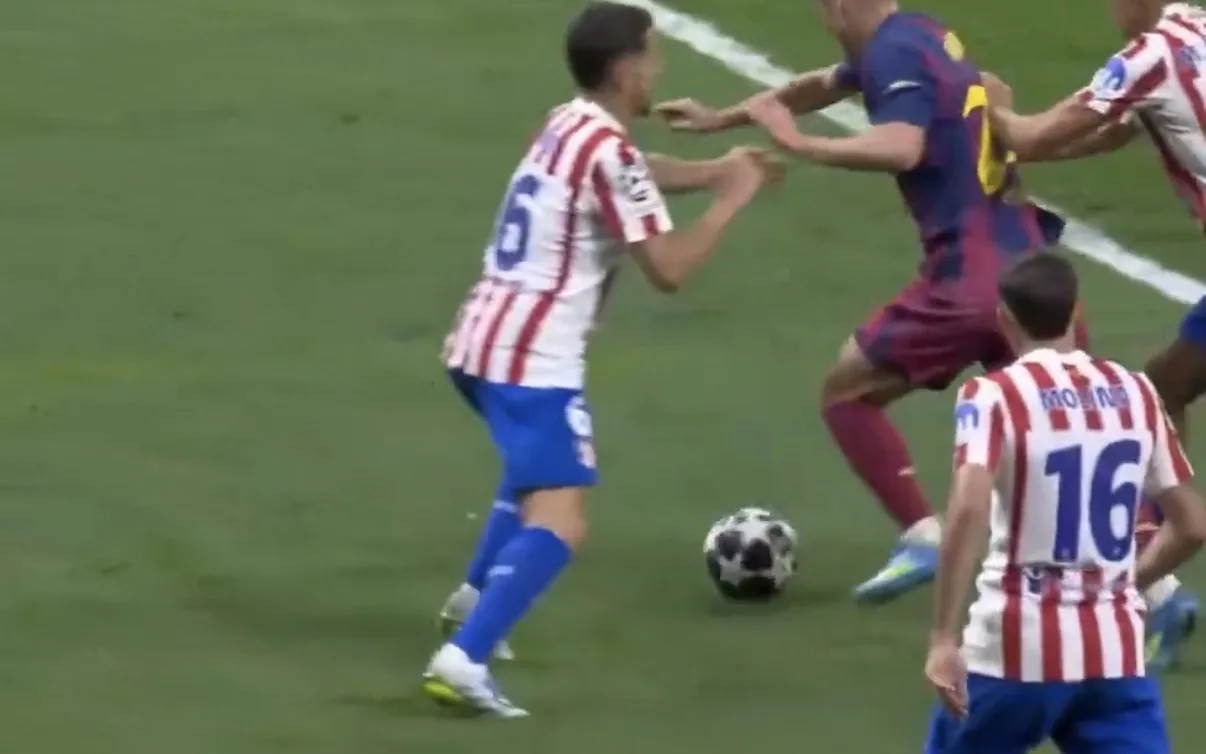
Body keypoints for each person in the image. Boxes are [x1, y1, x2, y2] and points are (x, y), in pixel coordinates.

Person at [424, 1, 782, 717]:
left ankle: (473, 600)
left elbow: (633, 175)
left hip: (479, 339)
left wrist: (713, 170)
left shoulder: (569, 123)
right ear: (624, 69)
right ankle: (464, 659)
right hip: (531, 356)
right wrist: (731, 199)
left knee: (533, 477)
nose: (658, 68)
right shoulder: (608, 151)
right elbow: (668, 268)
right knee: (563, 518)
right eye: (651, 56)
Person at [655, 0, 1068, 603]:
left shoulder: (892, 52)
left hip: (967, 278)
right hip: (1031, 264)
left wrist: (799, 143)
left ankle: (923, 535)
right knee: (1059, 432)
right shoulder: (917, 33)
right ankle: (1155, 589)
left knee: (846, 393)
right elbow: (823, 84)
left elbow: (901, 147)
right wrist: (725, 118)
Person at [986, 0, 1202, 670]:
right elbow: (1113, 132)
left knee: (1159, 392)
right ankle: (1153, 565)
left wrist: (992, 109)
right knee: (1162, 388)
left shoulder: (1150, 55)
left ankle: (1142, 575)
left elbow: (1036, 134)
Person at [922, 252, 1206, 753]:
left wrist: (943, 637)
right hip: (1113, 653)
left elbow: (968, 508)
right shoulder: (1137, 392)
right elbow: (1192, 525)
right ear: (1078, 311)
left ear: (1004, 320)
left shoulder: (992, 396)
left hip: (1014, 651)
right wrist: (1127, 583)